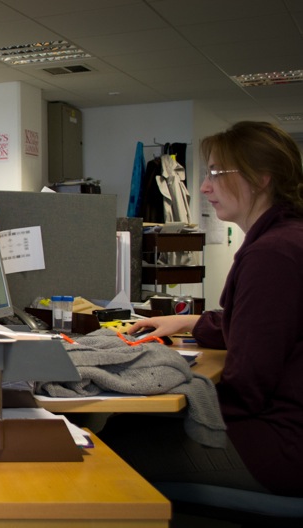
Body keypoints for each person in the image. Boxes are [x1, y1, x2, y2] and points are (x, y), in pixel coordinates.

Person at [101, 121, 303, 498]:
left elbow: (248, 386)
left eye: (216, 174)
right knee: (126, 426)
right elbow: (262, 326)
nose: (205, 187)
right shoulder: (288, 238)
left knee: (108, 448)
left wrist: (169, 389)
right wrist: (190, 321)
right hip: (286, 429)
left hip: (282, 445)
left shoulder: (272, 254)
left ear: (261, 178)